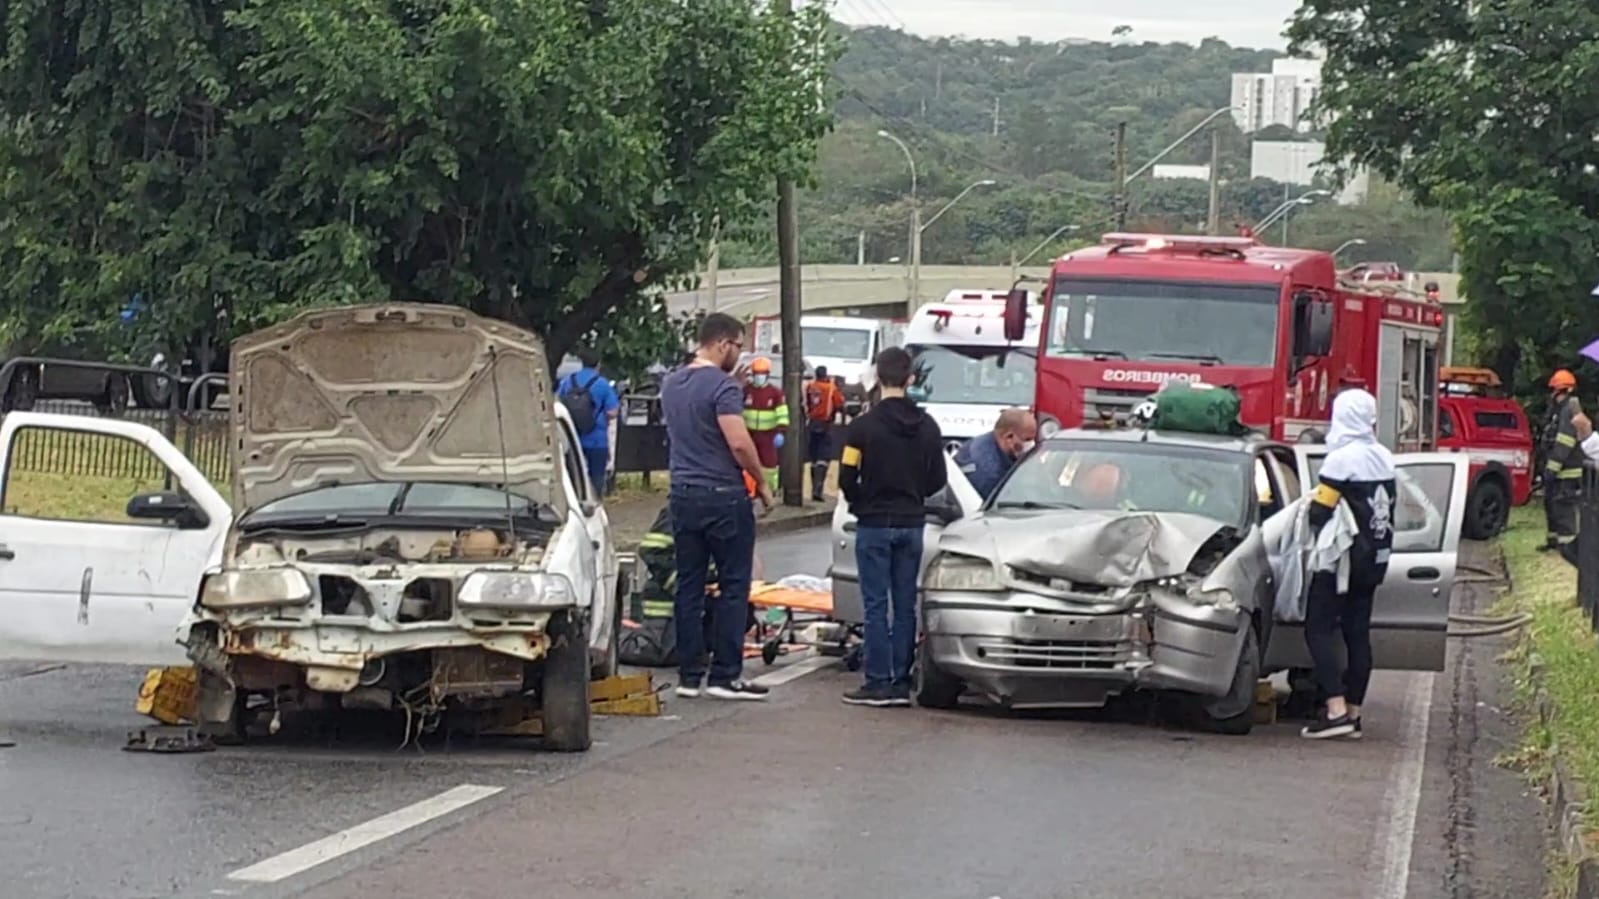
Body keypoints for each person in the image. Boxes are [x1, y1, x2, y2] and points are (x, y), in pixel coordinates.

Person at [658, 313, 774, 702]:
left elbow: (695, 422)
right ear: (723, 343)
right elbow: (738, 442)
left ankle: (690, 675)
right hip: (723, 494)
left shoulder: (672, 383)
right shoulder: (723, 388)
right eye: (739, 346)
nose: (739, 353)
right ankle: (725, 675)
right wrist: (762, 482)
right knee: (733, 584)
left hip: (683, 493)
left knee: (689, 584)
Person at [836, 347, 946, 707]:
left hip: (874, 524)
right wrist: (913, 495)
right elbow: (937, 479)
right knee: (905, 604)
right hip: (912, 524)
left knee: (874, 604)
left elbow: (847, 475)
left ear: (878, 378)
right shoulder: (929, 427)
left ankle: (877, 681)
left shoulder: (862, 428)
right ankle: (901, 682)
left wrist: (861, 501)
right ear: (911, 379)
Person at [1300, 388, 1396, 740]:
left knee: (1318, 628)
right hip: (1375, 559)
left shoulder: (1340, 460)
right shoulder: (1384, 457)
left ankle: (1335, 710)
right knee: (1358, 633)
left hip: (1341, 561)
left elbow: (1321, 510)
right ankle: (1354, 713)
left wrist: (1307, 512)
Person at [557, 348, 620, 499]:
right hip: (597, 439)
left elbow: (558, 403)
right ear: (598, 364)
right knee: (596, 476)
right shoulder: (602, 384)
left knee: (572, 473)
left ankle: (575, 501)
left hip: (572, 437)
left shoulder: (568, 381)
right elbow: (613, 412)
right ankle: (595, 503)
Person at [1541, 369, 1584, 555]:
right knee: (1551, 504)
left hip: (1567, 471)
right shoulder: (1559, 410)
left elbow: (1564, 442)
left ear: (1561, 391)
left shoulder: (1568, 411)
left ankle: (1567, 547)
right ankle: (1554, 541)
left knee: (1563, 507)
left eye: (1554, 391)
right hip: (1558, 469)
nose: (1552, 395)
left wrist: (1552, 468)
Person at [953, 408, 1038, 500]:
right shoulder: (987, 472)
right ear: (1009, 437)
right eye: (1027, 440)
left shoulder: (996, 446)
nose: (1031, 444)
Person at [741, 357, 789, 493]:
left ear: (767, 375)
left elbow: (782, 414)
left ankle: (769, 490)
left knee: (769, 465)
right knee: (747, 463)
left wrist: (780, 431)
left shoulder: (775, 393)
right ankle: (749, 490)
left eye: (761, 374)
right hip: (749, 434)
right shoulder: (746, 391)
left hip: (768, 436)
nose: (759, 377)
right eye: (756, 373)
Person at [804, 365, 846, 502]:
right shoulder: (830, 389)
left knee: (813, 458)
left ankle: (812, 489)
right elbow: (840, 404)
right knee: (824, 457)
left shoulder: (810, 387)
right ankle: (818, 489)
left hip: (811, 424)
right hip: (825, 425)